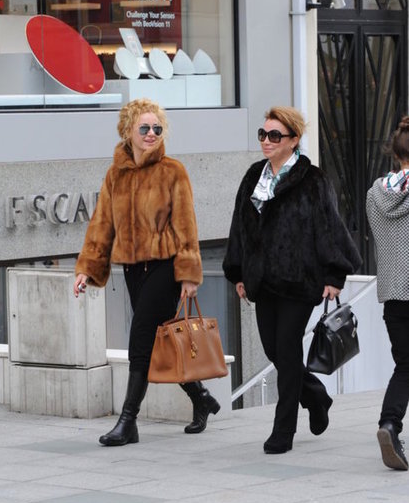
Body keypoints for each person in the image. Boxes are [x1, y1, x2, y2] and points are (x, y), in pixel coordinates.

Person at [74, 98, 220, 446]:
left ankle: (128, 421)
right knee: (158, 339)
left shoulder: (173, 171)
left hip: (165, 266)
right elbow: (102, 225)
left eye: (157, 128)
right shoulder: (115, 175)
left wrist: (189, 274)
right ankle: (201, 397)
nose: (152, 133)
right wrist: (87, 268)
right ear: (128, 131)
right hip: (133, 270)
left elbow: (186, 225)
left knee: (140, 338)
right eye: (145, 128)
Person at [223, 106, 362, 454]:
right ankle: (315, 396)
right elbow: (240, 226)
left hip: (299, 281)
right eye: (263, 134)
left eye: (275, 135)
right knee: (274, 350)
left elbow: (330, 227)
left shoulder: (313, 180)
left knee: (286, 350)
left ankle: (283, 430)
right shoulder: (253, 176)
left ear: (293, 139)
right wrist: (238, 272)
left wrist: (334, 274)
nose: (266, 141)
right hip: (262, 280)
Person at [366, 116, 409, 471]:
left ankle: (390, 425)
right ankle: (390, 424)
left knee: (405, 365)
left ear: (395, 153)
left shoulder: (374, 195)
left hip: (394, 294)